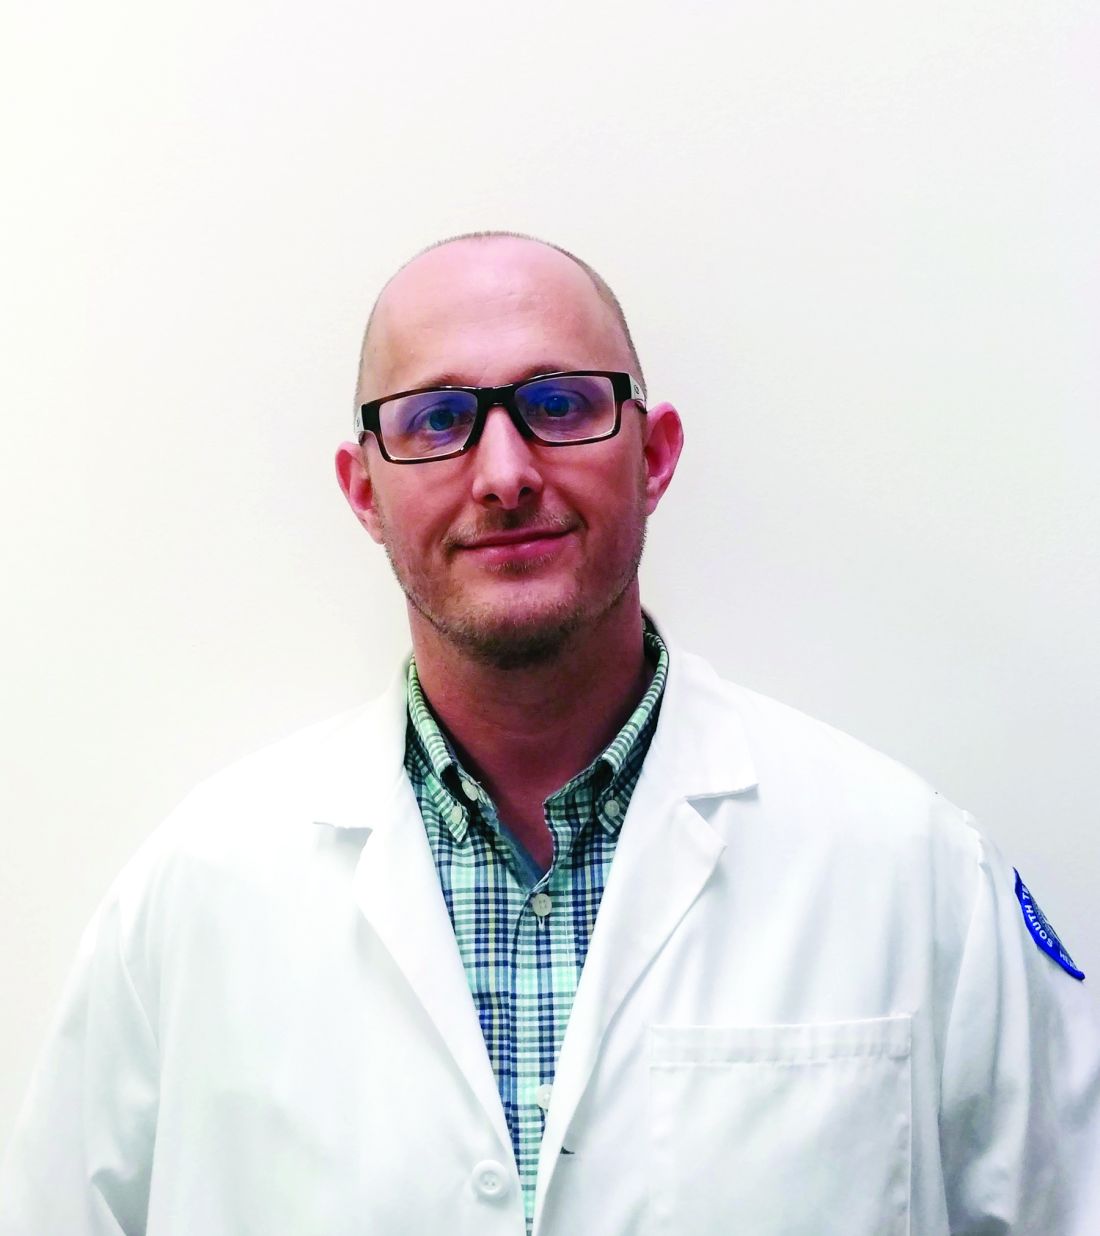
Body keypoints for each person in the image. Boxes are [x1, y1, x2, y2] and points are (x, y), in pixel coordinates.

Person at [2, 232, 1098, 1235]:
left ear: (653, 455)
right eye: (436, 421)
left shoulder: (909, 870)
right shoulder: (194, 899)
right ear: (363, 490)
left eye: (561, 404)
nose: (504, 474)